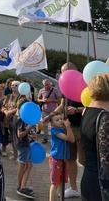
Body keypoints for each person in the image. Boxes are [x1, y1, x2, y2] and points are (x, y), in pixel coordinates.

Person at [45, 62, 84, 198]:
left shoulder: (84, 86)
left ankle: (90, 186)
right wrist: (50, 116)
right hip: (68, 127)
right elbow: (61, 106)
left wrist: (77, 110)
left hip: (82, 128)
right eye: (61, 72)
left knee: (85, 160)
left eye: (65, 71)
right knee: (71, 159)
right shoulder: (66, 87)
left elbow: (91, 106)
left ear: (74, 70)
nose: (62, 74)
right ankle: (73, 188)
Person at [81, 73, 109, 201]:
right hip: (101, 184)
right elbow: (106, 159)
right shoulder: (105, 117)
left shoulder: (86, 111)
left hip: (89, 177)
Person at [49, 114, 75, 201]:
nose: (60, 121)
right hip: (56, 159)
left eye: (61, 119)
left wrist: (68, 127)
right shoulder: (54, 130)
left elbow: (72, 140)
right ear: (52, 124)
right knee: (55, 183)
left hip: (64, 159)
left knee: (62, 182)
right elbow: (68, 138)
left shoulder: (64, 129)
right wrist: (68, 127)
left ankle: (61, 198)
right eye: (57, 120)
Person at [15, 97, 36, 199]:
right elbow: (20, 134)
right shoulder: (21, 119)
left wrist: (31, 135)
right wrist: (29, 128)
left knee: (28, 165)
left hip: (24, 144)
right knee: (23, 164)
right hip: (22, 145)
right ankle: (20, 187)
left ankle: (22, 185)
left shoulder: (22, 118)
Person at [37, 79, 61, 144]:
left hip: (54, 111)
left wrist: (51, 100)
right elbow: (38, 99)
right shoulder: (41, 90)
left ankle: (55, 138)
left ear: (50, 84)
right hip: (44, 111)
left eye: (47, 84)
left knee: (54, 125)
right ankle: (45, 138)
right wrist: (43, 100)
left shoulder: (55, 90)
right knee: (45, 125)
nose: (46, 86)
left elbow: (59, 100)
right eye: (45, 85)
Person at [2, 80, 21, 159]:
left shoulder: (21, 97)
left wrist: (11, 112)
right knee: (12, 137)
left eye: (16, 85)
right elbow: (3, 106)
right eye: (12, 85)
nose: (14, 86)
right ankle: (15, 155)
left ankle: (20, 156)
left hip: (17, 120)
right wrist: (6, 111)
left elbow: (20, 107)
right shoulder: (8, 96)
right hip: (8, 120)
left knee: (17, 137)